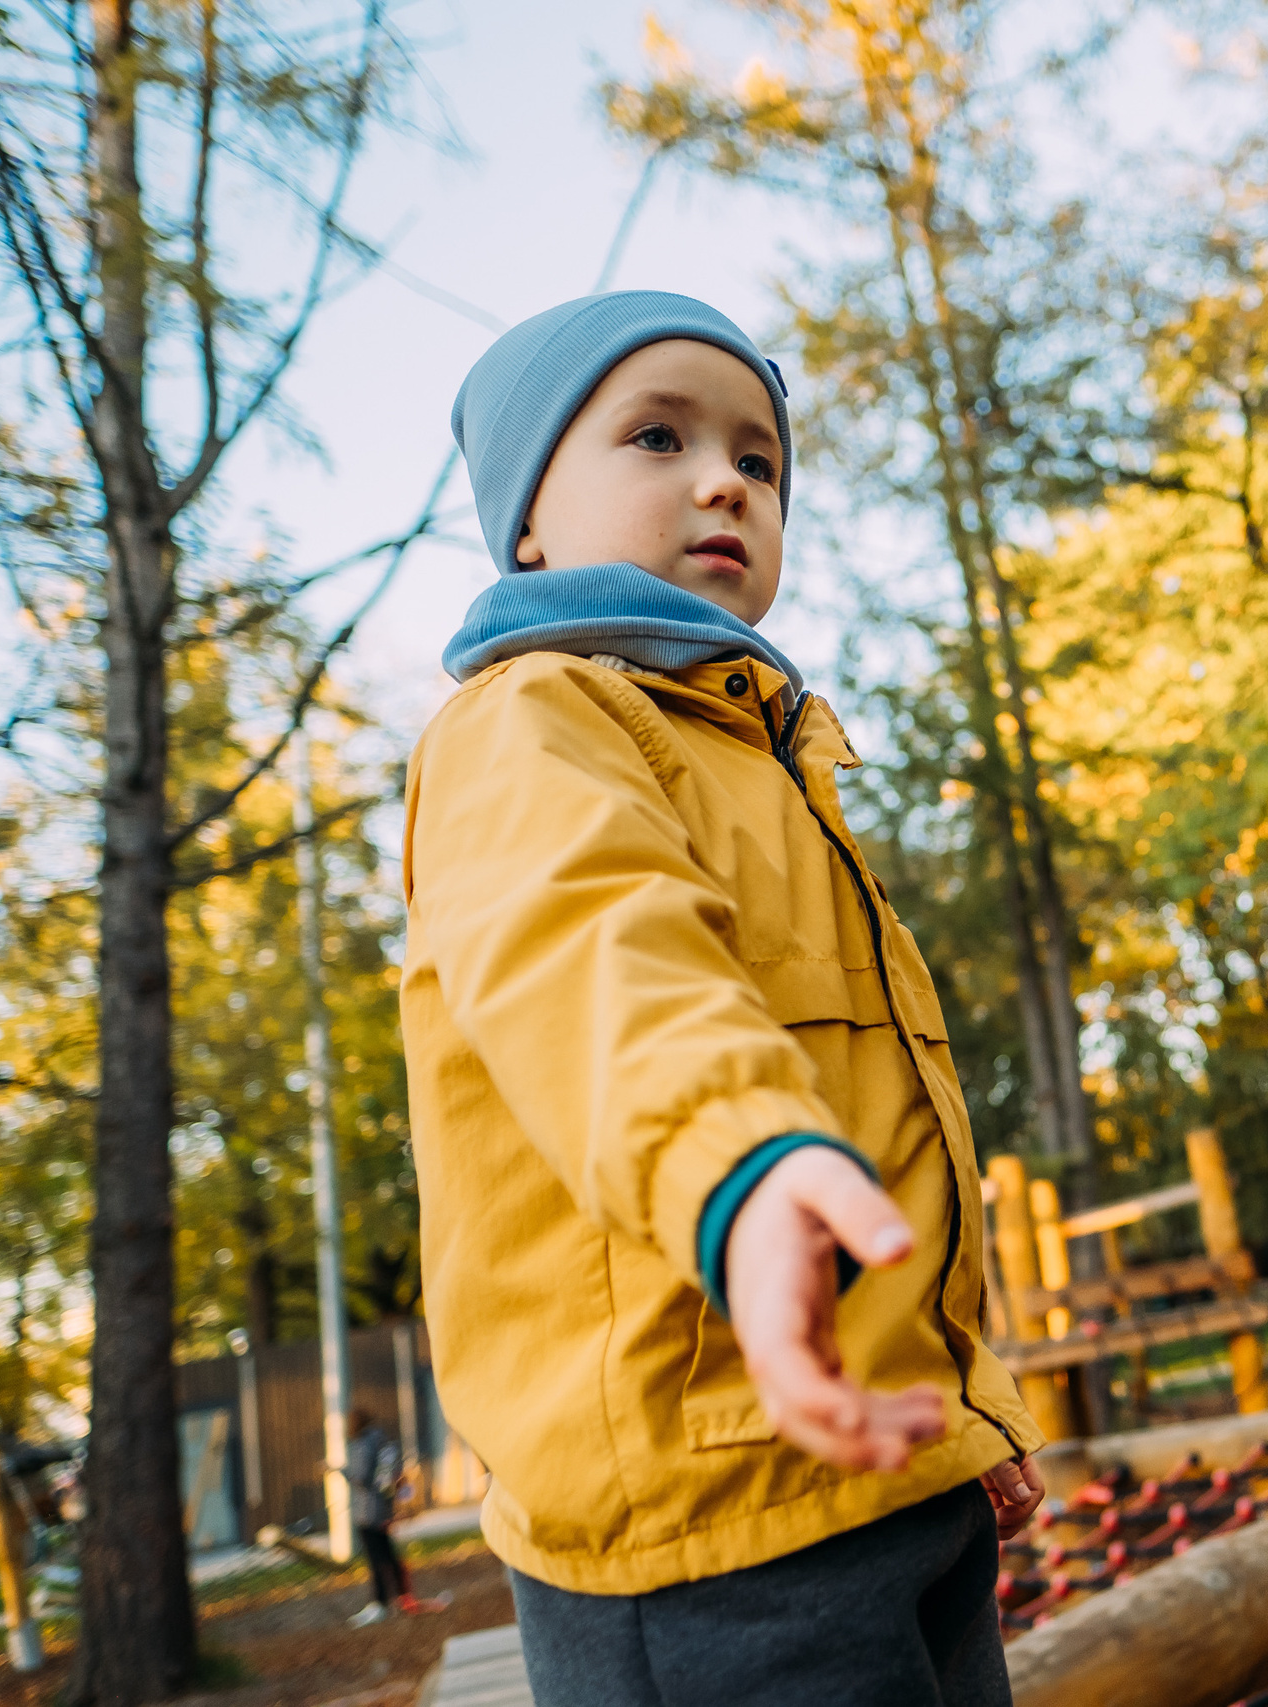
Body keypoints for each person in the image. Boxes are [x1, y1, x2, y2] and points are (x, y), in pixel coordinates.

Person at [399, 292, 1046, 1707]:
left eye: (759, 459)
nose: (725, 481)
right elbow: (598, 965)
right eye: (657, 434)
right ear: (527, 527)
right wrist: (740, 1170)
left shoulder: (771, 767)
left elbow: (885, 1129)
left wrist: (961, 1408)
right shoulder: (535, 724)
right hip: (701, 1519)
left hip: (879, 1465)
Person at [342, 1409, 407, 1627]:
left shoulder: (361, 1444)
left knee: (375, 1559)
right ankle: (402, 1596)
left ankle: (379, 1603)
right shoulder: (381, 1441)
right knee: (388, 1554)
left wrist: (339, 1471)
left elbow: (361, 1477)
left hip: (367, 1511)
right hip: (383, 1508)